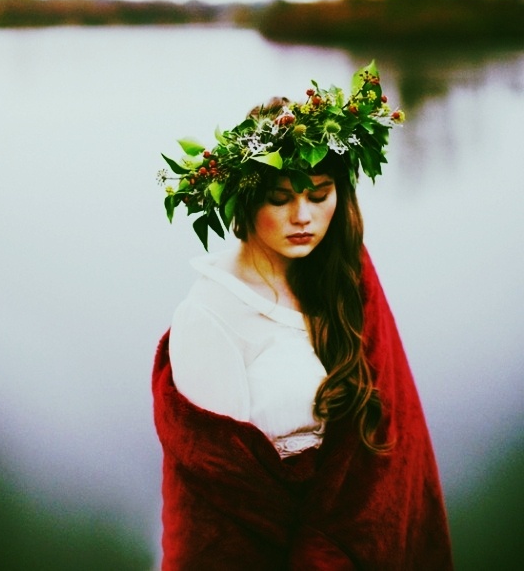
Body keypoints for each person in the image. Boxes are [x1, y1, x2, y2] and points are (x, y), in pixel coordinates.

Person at [153, 62, 453, 570]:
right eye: (281, 198)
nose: (304, 218)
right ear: (245, 201)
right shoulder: (209, 317)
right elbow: (217, 511)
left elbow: (390, 442)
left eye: (319, 195)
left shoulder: (342, 279)